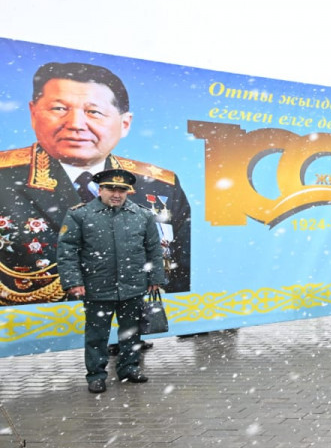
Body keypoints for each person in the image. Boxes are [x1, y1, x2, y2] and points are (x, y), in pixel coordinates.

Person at [1, 62, 190, 306]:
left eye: (94, 112)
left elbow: (180, 266)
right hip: (37, 331)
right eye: (59, 108)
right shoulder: (5, 178)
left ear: (125, 124)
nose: (76, 124)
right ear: (33, 113)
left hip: (129, 315)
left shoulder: (160, 185)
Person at [55, 169, 165, 393]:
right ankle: (96, 375)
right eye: (111, 189)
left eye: (122, 190)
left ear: (127, 191)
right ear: (100, 189)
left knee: (132, 332)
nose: (117, 194)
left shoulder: (142, 215)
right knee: (96, 335)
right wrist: (73, 281)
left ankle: (129, 368)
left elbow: (153, 250)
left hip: (133, 285)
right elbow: (67, 251)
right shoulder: (80, 215)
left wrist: (155, 277)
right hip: (96, 286)